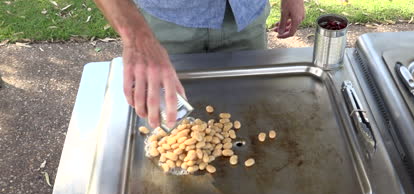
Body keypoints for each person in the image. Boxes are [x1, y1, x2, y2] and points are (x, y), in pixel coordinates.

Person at [93, 0, 305, 128]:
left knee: (251, 117)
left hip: (246, 15)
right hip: (167, 19)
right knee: (171, 130)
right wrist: (137, 39)